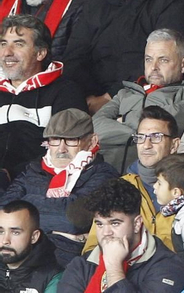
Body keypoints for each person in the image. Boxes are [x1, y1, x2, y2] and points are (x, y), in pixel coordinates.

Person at [0, 108, 118, 260]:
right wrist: (56, 227)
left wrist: (25, 204)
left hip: (63, 261)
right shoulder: (33, 170)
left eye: (71, 140)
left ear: (92, 141)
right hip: (20, 258)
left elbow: (73, 219)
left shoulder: (104, 174)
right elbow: (3, 211)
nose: (61, 149)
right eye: (55, 139)